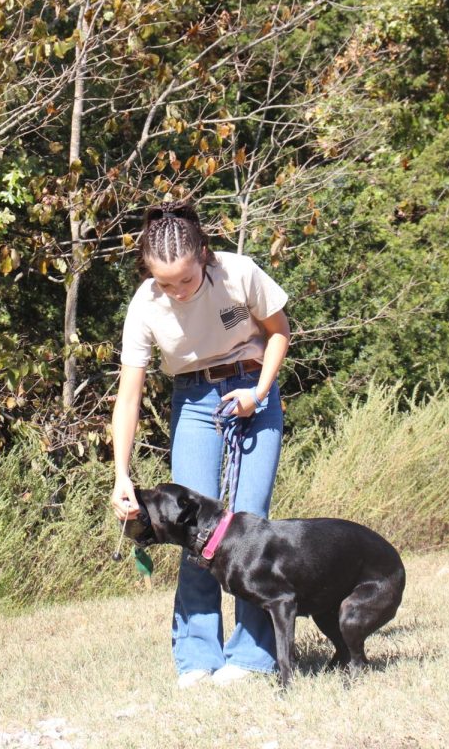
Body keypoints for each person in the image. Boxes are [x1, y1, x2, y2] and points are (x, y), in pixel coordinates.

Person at [110, 200, 291, 689]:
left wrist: (257, 393)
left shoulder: (240, 273)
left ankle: (252, 657)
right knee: (191, 532)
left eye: (184, 281)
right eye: (164, 283)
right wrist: (122, 474)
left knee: (250, 526)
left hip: (252, 393)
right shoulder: (145, 304)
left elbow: (279, 333)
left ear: (205, 256)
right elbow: (129, 397)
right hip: (192, 400)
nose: (175, 291)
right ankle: (197, 658)